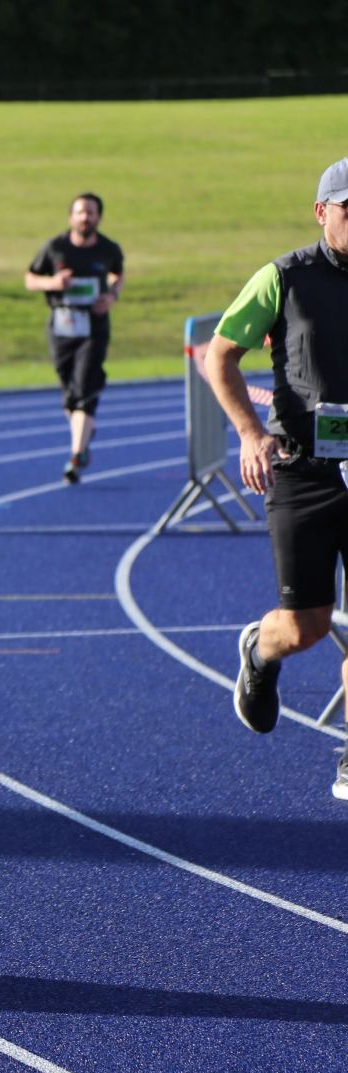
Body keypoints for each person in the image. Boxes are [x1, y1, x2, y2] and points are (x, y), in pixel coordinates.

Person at [207, 155, 348, 802]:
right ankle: (259, 654)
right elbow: (220, 356)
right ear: (322, 212)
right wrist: (248, 433)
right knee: (306, 626)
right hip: (303, 471)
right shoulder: (283, 278)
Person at [25, 193, 126, 483]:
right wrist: (52, 283)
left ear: (98, 217)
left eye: (90, 213)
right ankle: (84, 428)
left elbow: (118, 275)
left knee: (85, 386)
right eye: (80, 212)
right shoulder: (55, 248)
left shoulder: (108, 249)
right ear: (71, 217)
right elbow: (30, 279)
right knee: (69, 390)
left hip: (93, 327)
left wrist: (111, 296)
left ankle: (76, 455)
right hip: (62, 325)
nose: (85, 218)